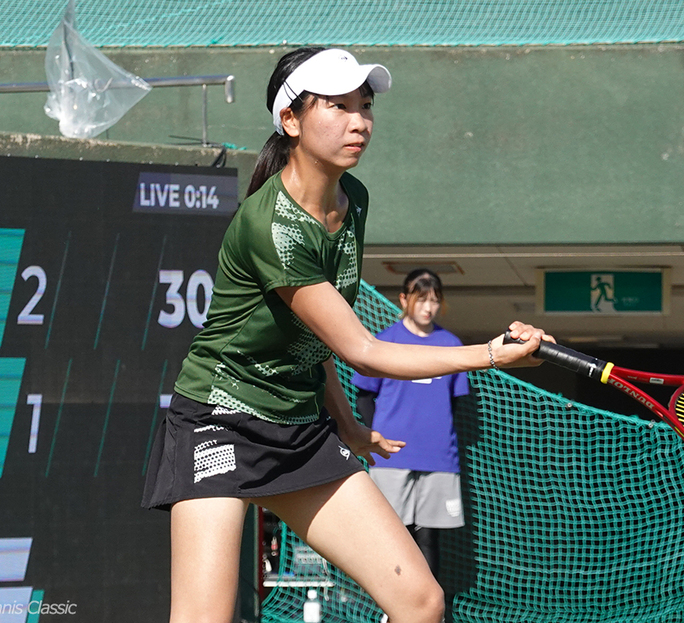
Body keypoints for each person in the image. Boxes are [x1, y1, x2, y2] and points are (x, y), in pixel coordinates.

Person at [141, 47, 552, 623]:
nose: (359, 121)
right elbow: (362, 349)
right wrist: (490, 354)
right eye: (338, 106)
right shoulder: (271, 226)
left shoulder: (351, 200)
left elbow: (320, 341)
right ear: (291, 120)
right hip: (219, 423)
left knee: (421, 602)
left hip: (300, 430)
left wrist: (349, 425)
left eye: (365, 106)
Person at [352, 269, 468, 582]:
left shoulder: (451, 344)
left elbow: (453, 403)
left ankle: (431, 611)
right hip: (392, 458)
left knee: (429, 537)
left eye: (434, 301)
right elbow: (364, 396)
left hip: (438, 459)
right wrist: (378, 435)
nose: (428, 308)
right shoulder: (384, 342)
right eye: (421, 300)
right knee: (392, 537)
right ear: (404, 300)